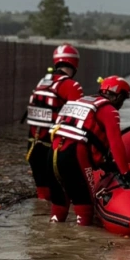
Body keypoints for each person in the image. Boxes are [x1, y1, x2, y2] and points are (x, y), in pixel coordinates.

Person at [48, 76, 130, 225]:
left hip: (52, 153)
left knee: (59, 203)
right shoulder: (109, 110)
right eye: (123, 99)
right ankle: (84, 244)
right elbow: (116, 144)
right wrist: (125, 173)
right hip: (74, 154)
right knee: (85, 205)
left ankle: (54, 239)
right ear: (119, 96)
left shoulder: (79, 102)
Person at [25, 44, 84, 200]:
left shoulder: (43, 82)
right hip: (54, 149)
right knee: (61, 195)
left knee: (43, 195)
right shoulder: (72, 86)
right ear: (75, 64)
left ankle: (39, 221)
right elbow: (80, 121)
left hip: (32, 145)